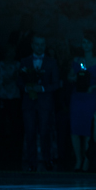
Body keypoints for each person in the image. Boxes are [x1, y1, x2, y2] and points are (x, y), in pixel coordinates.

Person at [18, 34, 60, 171]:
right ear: (32, 45)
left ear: (45, 45)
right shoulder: (24, 61)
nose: (40, 47)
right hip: (29, 102)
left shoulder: (51, 62)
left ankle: (47, 159)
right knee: (30, 132)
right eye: (37, 44)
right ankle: (32, 161)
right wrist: (27, 88)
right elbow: (19, 81)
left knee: (44, 132)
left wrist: (41, 88)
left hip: (44, 103)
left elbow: (56, 83)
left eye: (42, 44)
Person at [68, 31, 96, 172]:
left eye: (88, 43)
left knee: (88, 129)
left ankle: (86, 160)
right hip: (77, 97)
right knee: (75, 129)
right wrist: (74, 78)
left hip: (91, 97)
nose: (86, 45)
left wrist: (93, 87)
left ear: (93, 44)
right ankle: (78, 160)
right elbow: (69, 76)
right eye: (84, 42)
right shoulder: (76, 60)